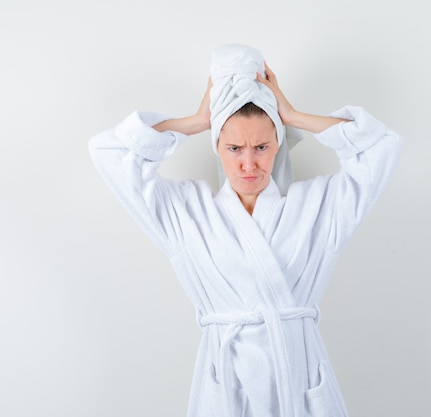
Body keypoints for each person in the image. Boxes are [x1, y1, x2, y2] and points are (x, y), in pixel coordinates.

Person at [89, 43, 402, 417]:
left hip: (300, 382)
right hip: (226, 384)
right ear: (216, 145)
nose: (249, 164)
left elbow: (381, 147)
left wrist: (292, 114)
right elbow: (108, 151)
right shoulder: (187, 211)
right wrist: (195, 121)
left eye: (262, 146)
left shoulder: (317, 207)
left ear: (278, 145)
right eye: (234, 147)